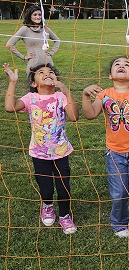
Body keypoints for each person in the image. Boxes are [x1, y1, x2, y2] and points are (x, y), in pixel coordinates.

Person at [81, 57, 129, 237]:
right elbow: (90, 114)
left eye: (126, 64)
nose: (121, 66)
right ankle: (119, 222)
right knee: (119, 191)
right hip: (114, 152)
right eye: (117, 64)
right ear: (110, 75)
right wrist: (85, 95)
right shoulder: (104, 94)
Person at [3, 62, 78, 234]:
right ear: (33, 83)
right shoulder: (31, 98)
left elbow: (74, 116)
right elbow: (9, 107)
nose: (47, 73)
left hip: (61, 151)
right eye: (41, 72)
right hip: (39, 153)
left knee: (63, 187)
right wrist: (13, 82)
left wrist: (67, 91)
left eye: (51, 71)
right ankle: (47, 205)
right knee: (45, 188)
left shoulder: (60, 96)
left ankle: (65, 216)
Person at [6, 5, 61, 73]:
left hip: (48, 63)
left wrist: (51, 52)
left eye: (39, 14)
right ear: (30, 16)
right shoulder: (24, 29)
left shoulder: (45, 29)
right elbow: (9, 44)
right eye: (35, 14)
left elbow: (57, 40)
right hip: (33, 65)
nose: (38, 17)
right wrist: (23, 57)